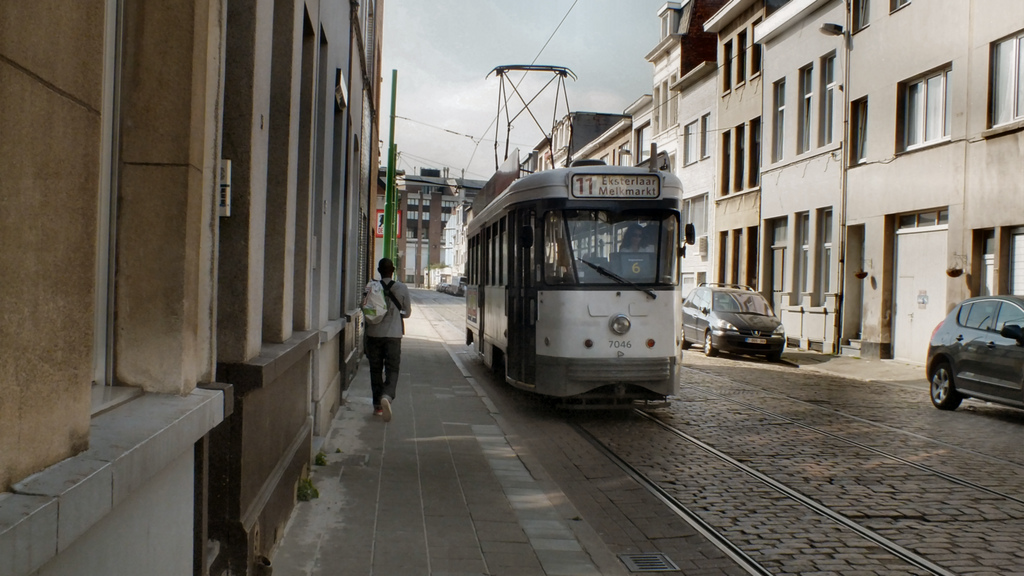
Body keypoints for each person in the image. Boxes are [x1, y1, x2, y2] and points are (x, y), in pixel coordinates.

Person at [364, 258, 411, 422]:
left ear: (378, 270)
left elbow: (365, 308)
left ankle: (377, 406)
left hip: (373, 335)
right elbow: (407, 313)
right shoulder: (402, 288)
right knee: (392, 368)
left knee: (375, 370)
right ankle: (387, 395)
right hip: (393, 336)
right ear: (393, 270)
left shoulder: (372, 287)